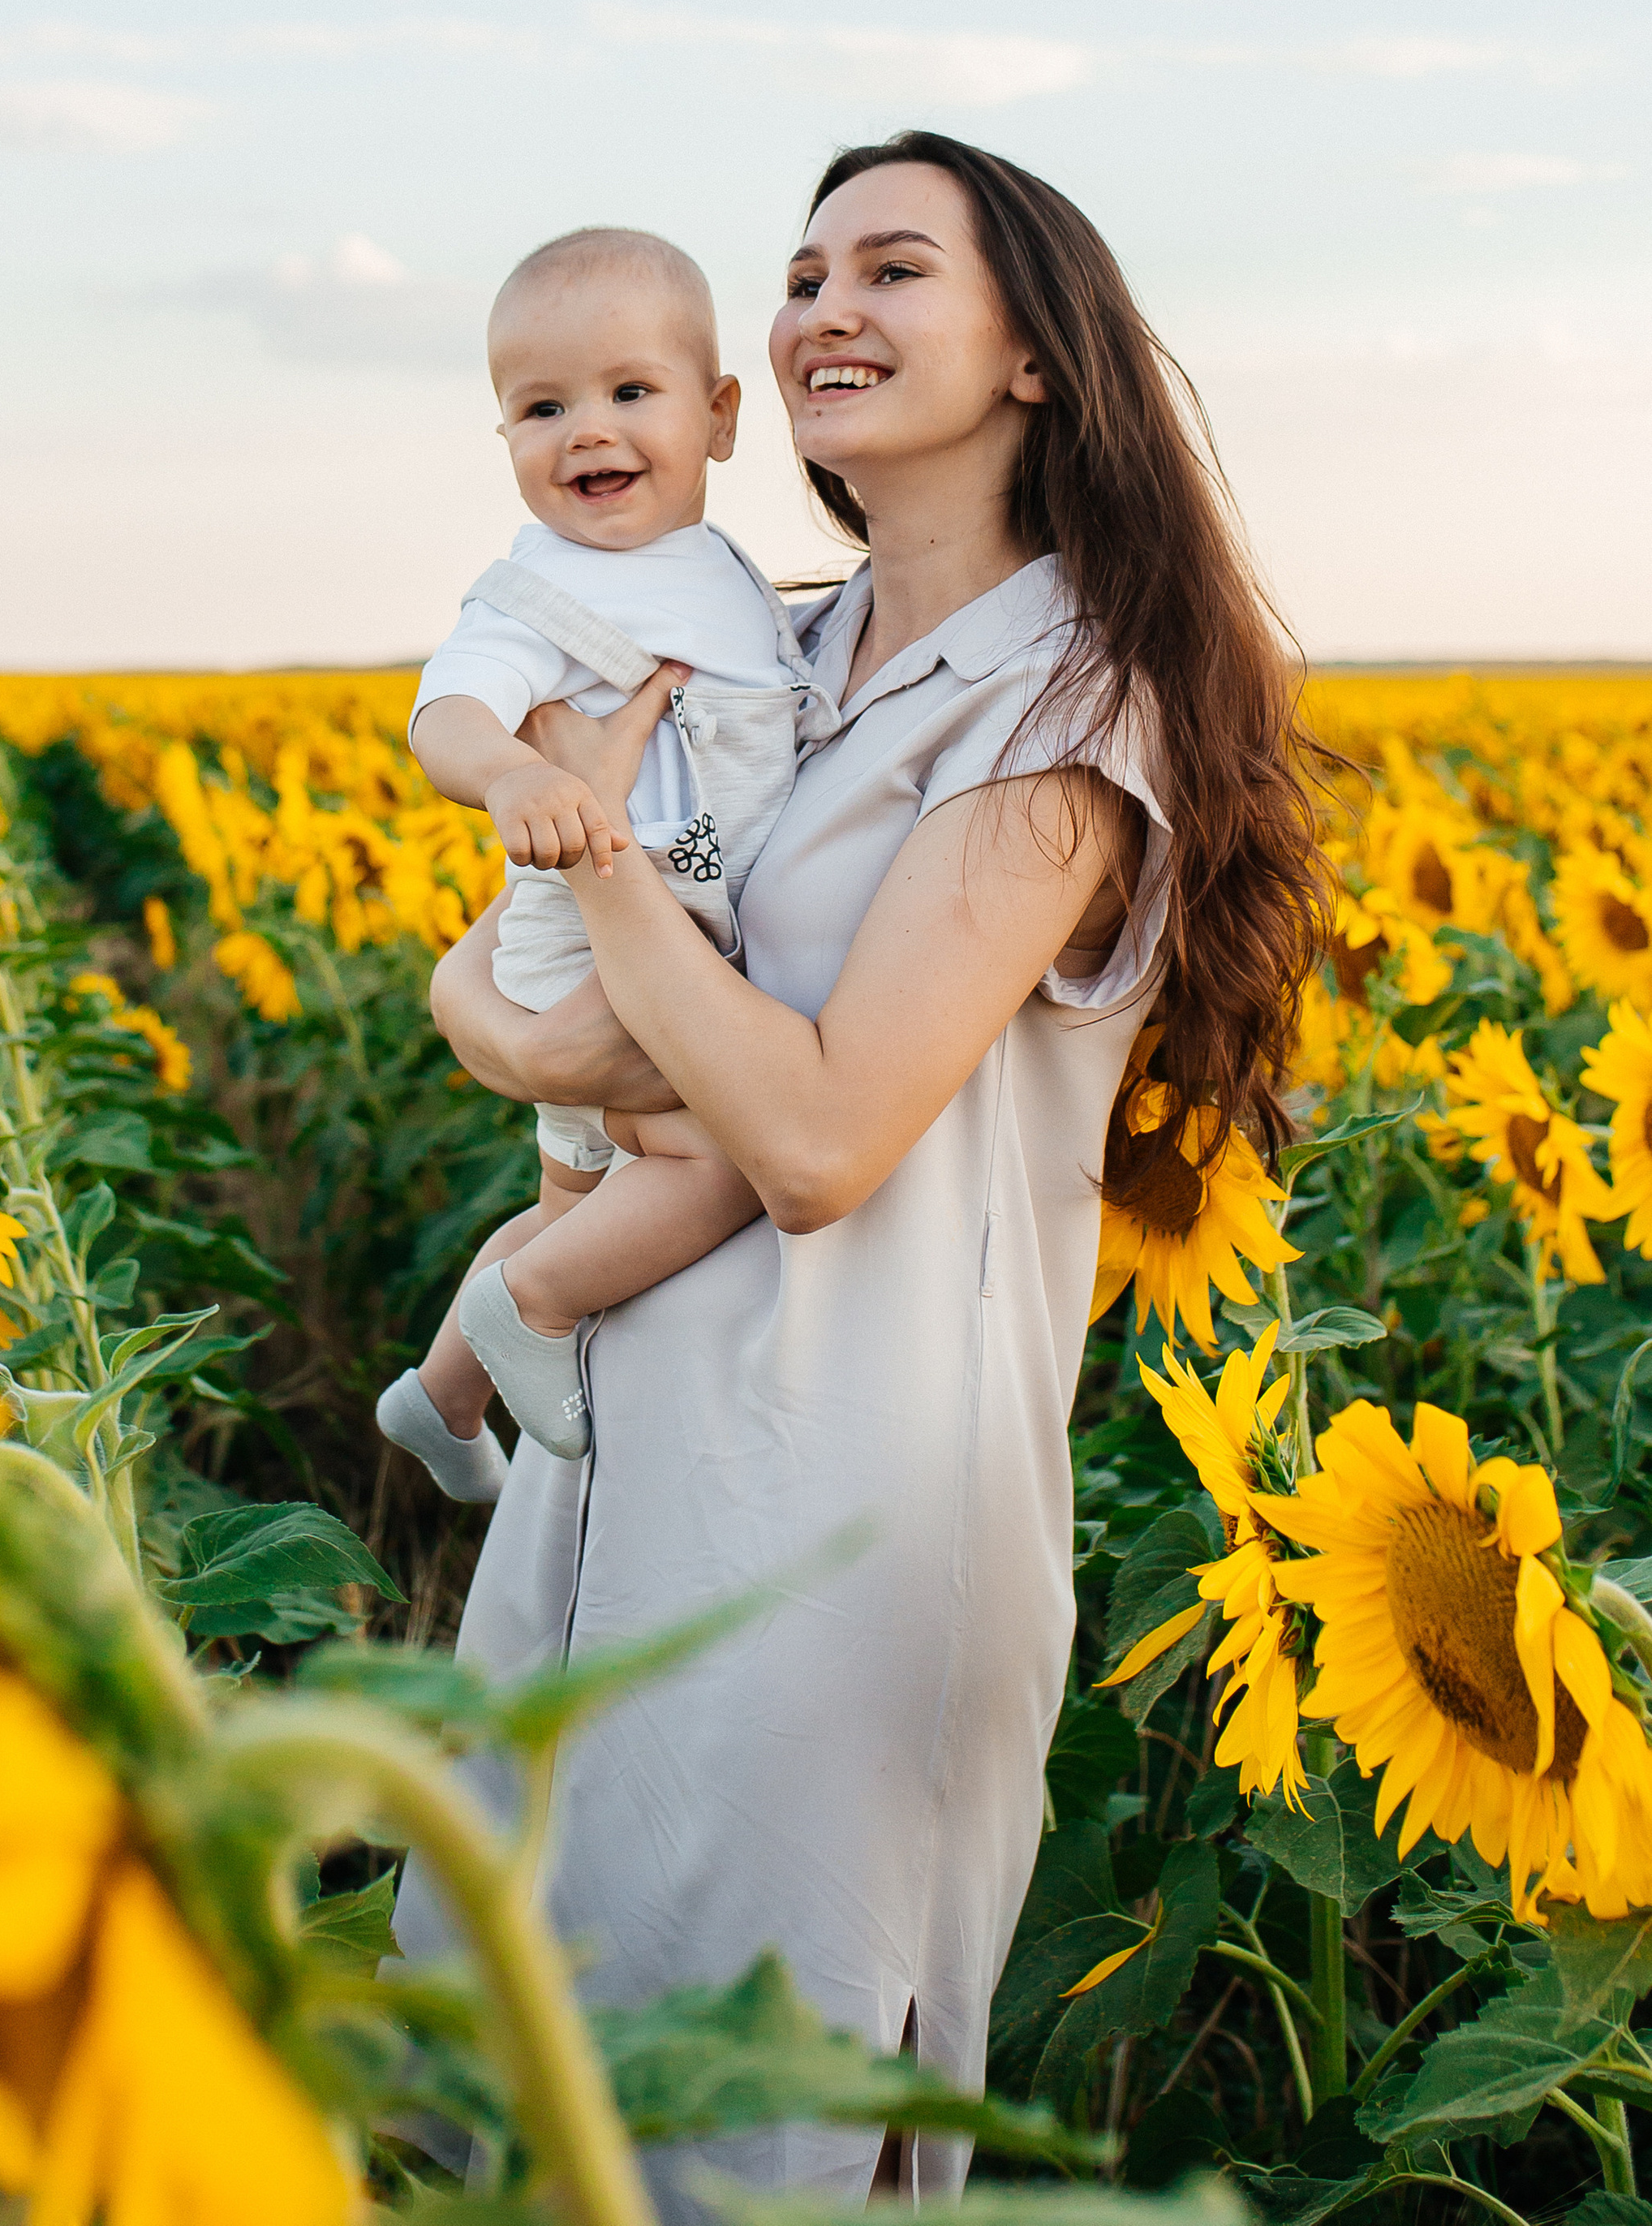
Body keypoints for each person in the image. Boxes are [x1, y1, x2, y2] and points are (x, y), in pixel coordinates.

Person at [399, 132, 1332, 2211]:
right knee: (520, 2080)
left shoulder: (1068, 702)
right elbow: (505, 982)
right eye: (802, 271)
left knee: (749, 2120)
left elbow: (818, 1137)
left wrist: (600, 869)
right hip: (607, 1445)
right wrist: (528, 1023)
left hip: (831, 1513)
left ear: (1030, 357)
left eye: (892, 268)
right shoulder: (761, 646)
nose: (823, 307)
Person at [375, 223, 828, 1503]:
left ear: (721, 416)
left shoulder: (718, 577)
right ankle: (535, 1313)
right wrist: (518, 774)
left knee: (578, 1197)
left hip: (648, 926)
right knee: (714, 1165)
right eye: (543, 406)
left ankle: (442, 1396)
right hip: (596, 942)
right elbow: (448, 714)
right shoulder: (541, 593)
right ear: (504, 438)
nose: (589, 430)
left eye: (631, 393)